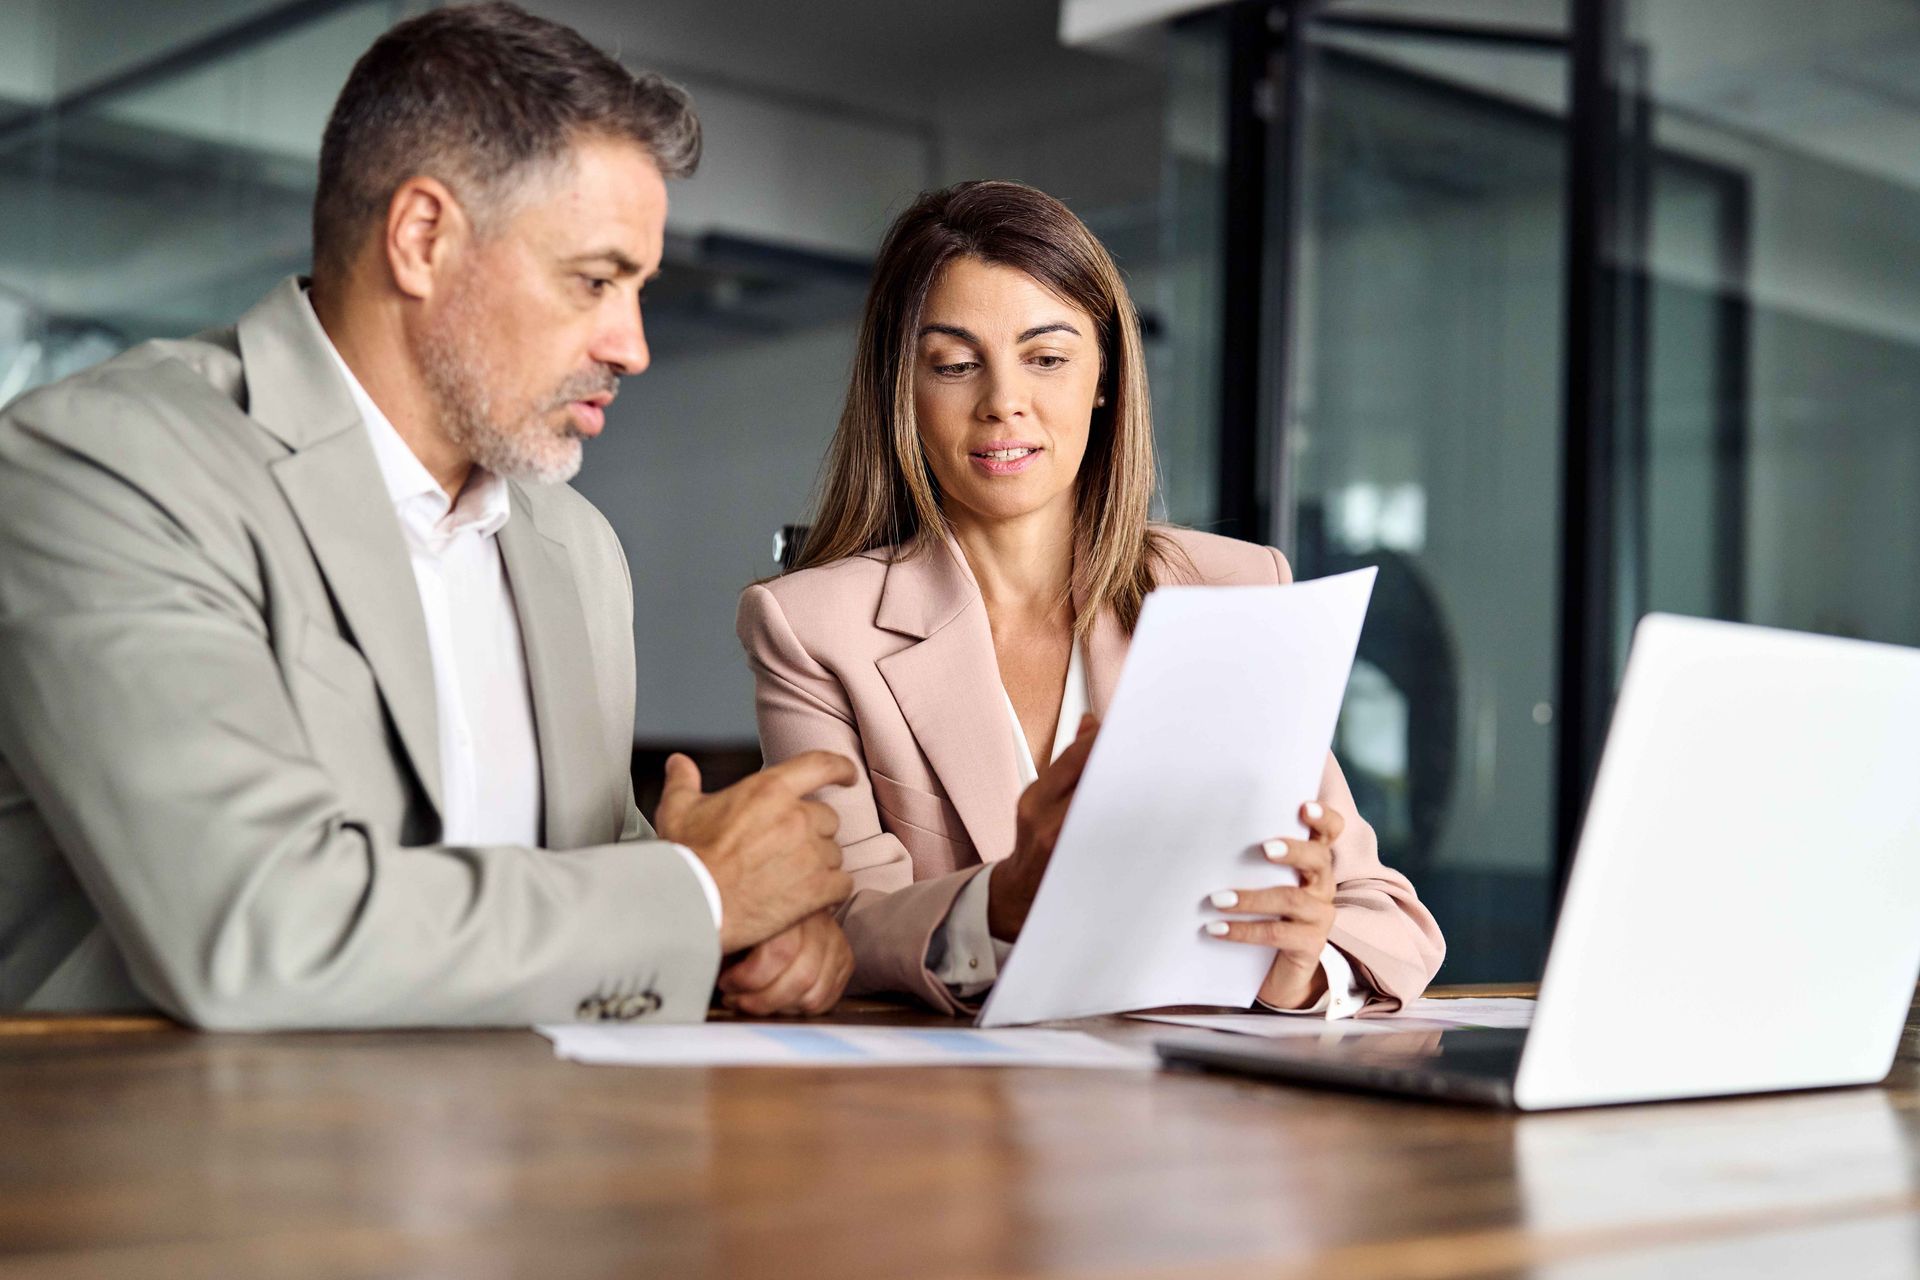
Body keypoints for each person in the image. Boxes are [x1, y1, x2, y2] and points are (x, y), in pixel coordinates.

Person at [0, 3, 858, 1028]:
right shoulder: (105, 464)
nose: (631, 345)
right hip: (180, 1167)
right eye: (594, 279)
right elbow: (258, 927)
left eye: (640, 289)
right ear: (422, 238)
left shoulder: (577, 550)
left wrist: (745, 936)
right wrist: (698, 897)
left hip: (537, 1153)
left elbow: (596, 891)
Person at [736, 181, 1444, 1018]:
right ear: (904, 390)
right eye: (956, 365)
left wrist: (1301, 963)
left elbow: (1389, 919)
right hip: (949, 1121)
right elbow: (838, 922)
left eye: (1047, 357)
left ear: (1103, 377)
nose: (1004, 402)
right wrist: (994, 904)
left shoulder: (1233, 590)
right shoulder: (814, 628)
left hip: (1195, 1113)